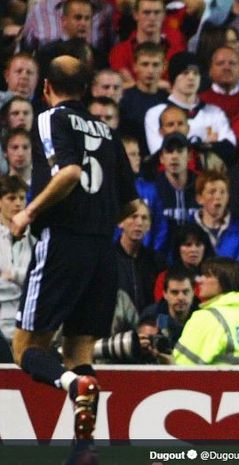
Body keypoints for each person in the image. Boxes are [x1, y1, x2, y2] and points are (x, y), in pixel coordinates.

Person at [10, 55, 138, 459]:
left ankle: (72, 386)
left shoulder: (52, 118)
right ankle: (84, 446)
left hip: (63, 243)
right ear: (86, 89)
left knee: (25, 348)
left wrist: (27, 213)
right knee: (79, 351)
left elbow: (68, 173)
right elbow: (131, 204)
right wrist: (96, 221)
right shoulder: (106, 130)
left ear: (46, 87)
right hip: (103, 250)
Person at [173, 257, 239, 365]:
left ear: (224, 281)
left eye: (207, 276)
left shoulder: (208, 318)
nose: (199, 280)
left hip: (221, 382)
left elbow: (182, 369)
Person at [0, 175, 34, 345]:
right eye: (11, 198)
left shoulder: (35, 238)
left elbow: (36, 278)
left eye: (22, 198)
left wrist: (13, 275)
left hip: (27, 322)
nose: (18, 203)